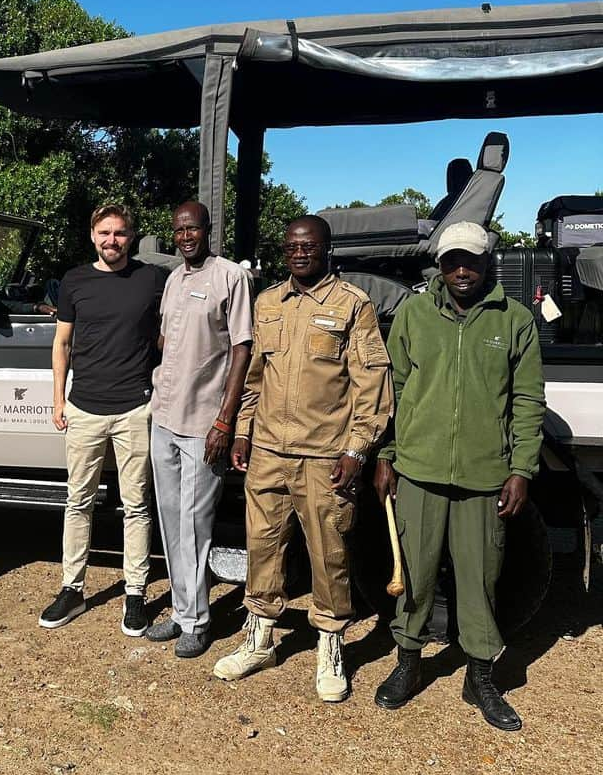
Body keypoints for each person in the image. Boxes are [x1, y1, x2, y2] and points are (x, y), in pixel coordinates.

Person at [373, 221, 545, 731]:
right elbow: (395, 389)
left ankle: (480, 676)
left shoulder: (514, 320)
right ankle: (407, 663)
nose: (461, 270)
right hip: (419, 470)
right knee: (416, 574)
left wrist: (521, 469)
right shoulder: (413, 314)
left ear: (488, 260)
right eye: (451, 261)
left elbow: (528, 401)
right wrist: (387, 452)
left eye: (470, 260)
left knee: (480, 579)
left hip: (484, 474)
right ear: (440, 265)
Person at [213, 216, 393, 701]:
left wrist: (357, 449)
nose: (299, 253)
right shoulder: (268, 302)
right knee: (262, 545)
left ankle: (330, 644)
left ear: (326, 250)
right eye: (292, 246)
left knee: (329, 553)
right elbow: (255, 379)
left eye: (309, 246)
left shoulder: (352, 305)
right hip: (269, 451)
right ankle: (259, 638)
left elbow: (371, 386)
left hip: (323, 456)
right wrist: (243, 433)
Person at [38, 204, 166, 637]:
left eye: (121, 233)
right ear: (92, 235)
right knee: (78, 502)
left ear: (133, 236)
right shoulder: (74, 281)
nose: (112, 240)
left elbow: (169, 335)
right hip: (84, 408)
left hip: (135, 407)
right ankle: (72, 588)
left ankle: (135, 593)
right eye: (105, 233)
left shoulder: (151, 279)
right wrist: (58, 400)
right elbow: (62, 343)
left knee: (136, 506)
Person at [145, 201, 252, 658]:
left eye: (193, 228)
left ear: (208, 230)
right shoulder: (173, 280)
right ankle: (181, 608)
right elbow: (168, 342)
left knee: (195, 522)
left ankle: (198, 620)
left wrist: (225, 420)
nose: (186, 236)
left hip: (203, 422)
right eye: (179, 229)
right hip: (165, 415)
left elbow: (243, 350)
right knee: (170, 520)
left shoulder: (231, 277)